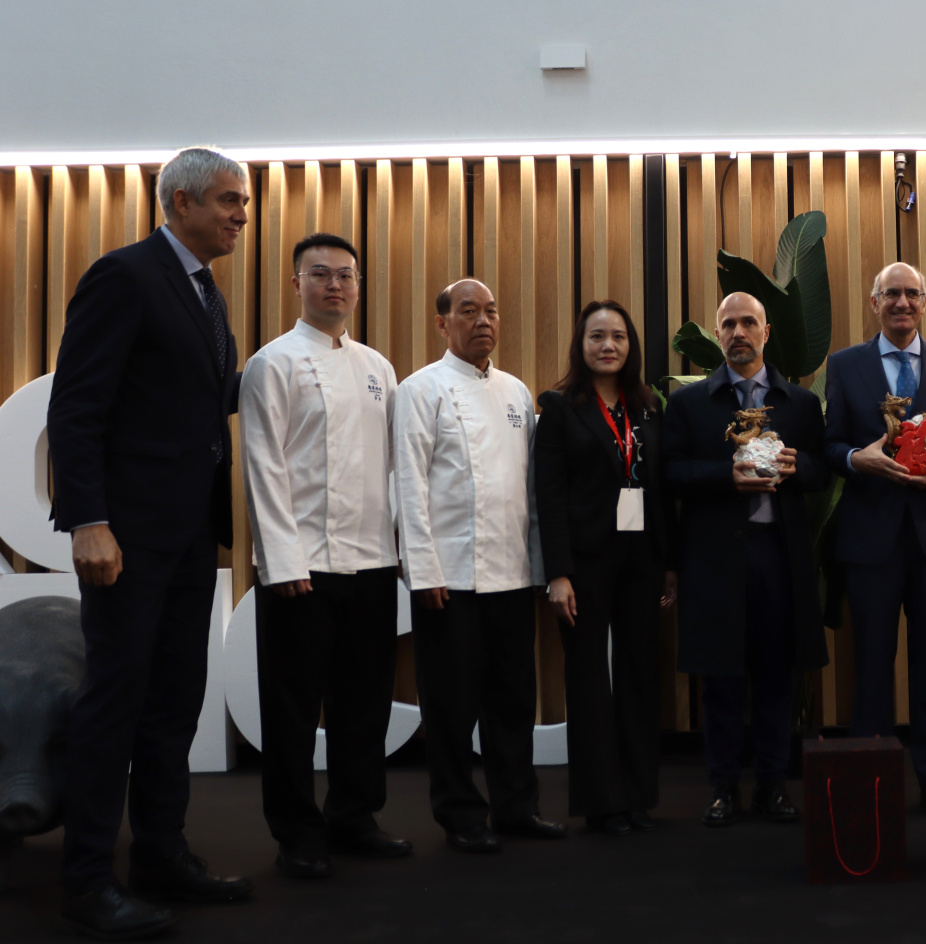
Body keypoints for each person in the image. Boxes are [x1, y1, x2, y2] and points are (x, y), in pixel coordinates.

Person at [47, 146, 253, 939]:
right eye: (228, 200)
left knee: (174, 704)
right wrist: (88, 520)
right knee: (115, 703)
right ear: (179, 203)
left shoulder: (204, 290)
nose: (241, 214)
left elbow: (194, 400)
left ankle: (162, 855)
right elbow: (77, 406)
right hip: (125, 539)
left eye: (243, 201)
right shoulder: (124, 275)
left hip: (189, 536)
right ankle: (88, 878)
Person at [239, 233, 412, 878]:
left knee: (363, 701)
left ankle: (354, 815)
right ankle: (295, 831)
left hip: (371, 562)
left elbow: (394, 468)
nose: (334, 285)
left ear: (359, 286)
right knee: (291, 707)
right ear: (296, 284)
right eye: (320, 274)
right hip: (302, 568)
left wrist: (399, 551)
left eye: (346, 275)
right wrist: (281, 561)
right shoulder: (271, 363)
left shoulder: (377, 367)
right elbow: (263, 465)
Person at [393, 278, 565, 851]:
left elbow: (531, 493)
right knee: (450, 706)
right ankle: (460, 815)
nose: (483, 321)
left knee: (514, 701)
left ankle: (517, 807)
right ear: (443, 323)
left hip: (512, 576)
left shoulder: (517, 393)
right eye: (468, 311)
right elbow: (408, 488)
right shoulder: (420, 390)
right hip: (450, 580)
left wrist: (539, 569)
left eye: (491, 310)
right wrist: (423, 570)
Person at [663, 292, 829, 827]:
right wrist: (723, 475)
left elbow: (824, 474)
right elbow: (669, 474)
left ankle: (774, 785)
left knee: (778, 674)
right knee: (721, 676)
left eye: (748, 323)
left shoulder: (800, 404)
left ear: (766, 331)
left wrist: (798, 466)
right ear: (717, 334)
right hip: (714, 557)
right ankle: (724, 786)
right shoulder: (690, 405)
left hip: (780, 555)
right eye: (728, 324)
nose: (739, 332)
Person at [824, 262, 926, 818]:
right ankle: (871, 774)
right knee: (871, 662)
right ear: (874, 302)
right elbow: (830, 442)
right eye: (892, 293)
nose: (902, 303)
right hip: (870, 538)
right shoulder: (844, 366)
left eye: (912, 294)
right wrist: (852, 458)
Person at [535, 300, 678, 836]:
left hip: (641, 560)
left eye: (618, 336)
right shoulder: (560, 406)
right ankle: (602, 802)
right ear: (582, 344)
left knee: (640, 675)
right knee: (590, 677)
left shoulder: (646, 406)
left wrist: (667, 561)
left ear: (630, 345)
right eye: (597, 336)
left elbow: (657, 491)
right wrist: (558, 573)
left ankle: (638, 795)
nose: (608, 345)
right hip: (584, 564)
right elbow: (547, 498)